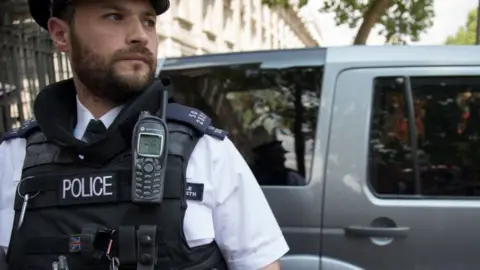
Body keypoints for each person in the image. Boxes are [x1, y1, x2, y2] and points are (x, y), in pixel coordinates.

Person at [0, 0, 289, 269]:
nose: (140, 35)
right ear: (61, 34)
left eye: (149, 21)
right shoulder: (15, 158)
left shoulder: (205, 150)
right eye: (114, 16)